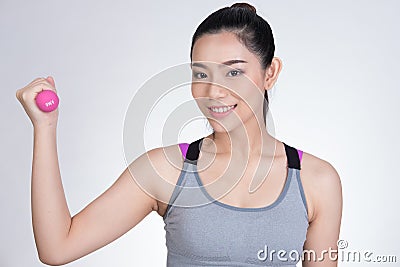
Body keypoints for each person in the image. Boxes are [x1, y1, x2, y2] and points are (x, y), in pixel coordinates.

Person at [15, 2, 342, 266]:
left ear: (270, 72)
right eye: (201, 73)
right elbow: (57, 248)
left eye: (234, 72)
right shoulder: (166, 170)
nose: (214, 90)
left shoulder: (317, 180)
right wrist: (45, 127)